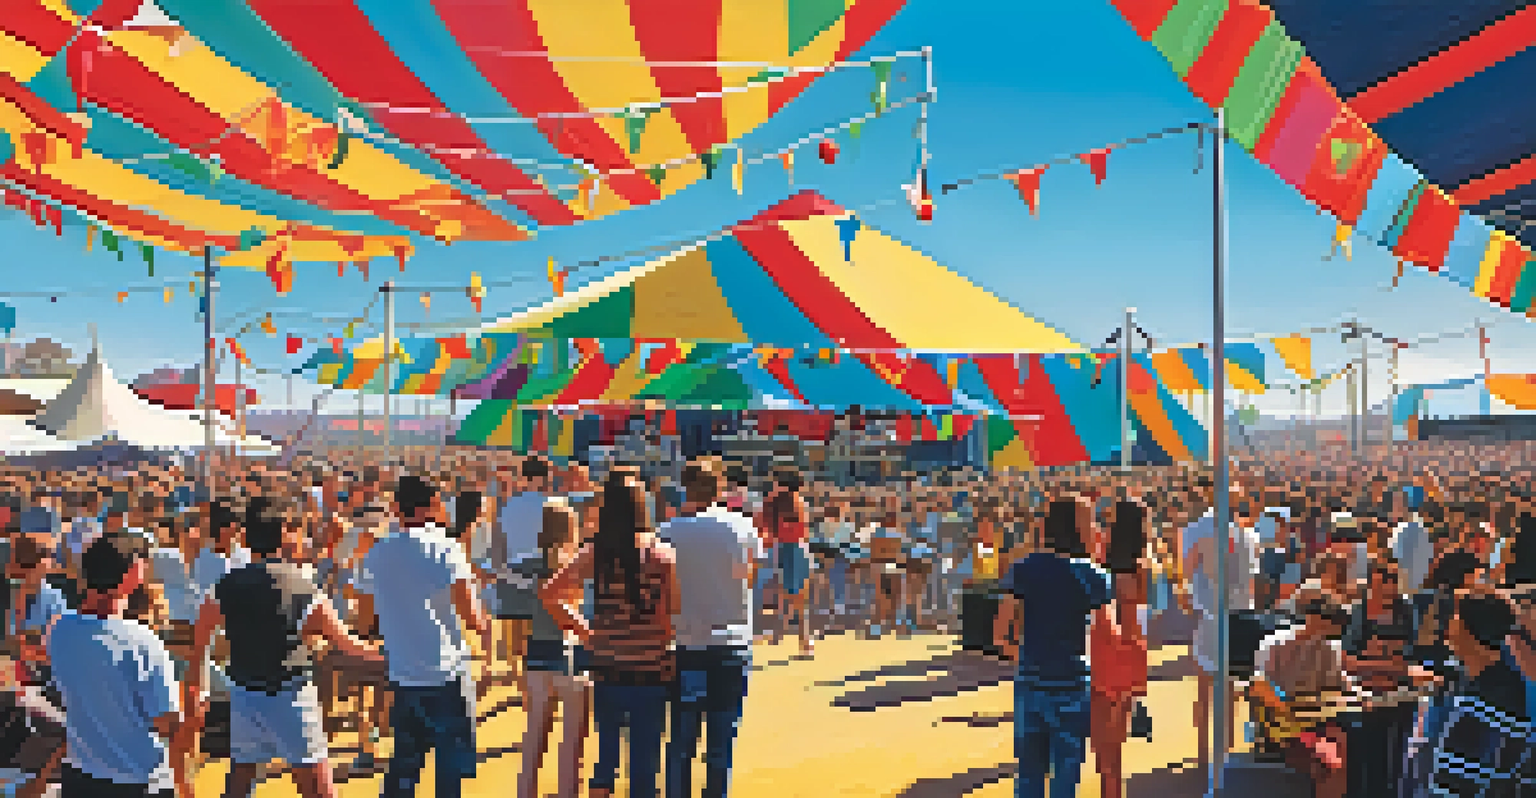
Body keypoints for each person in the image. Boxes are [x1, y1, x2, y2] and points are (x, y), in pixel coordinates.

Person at [543, 474, 680, 798]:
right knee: (645, 761)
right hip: (651, 668)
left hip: (607, 665)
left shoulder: (595, 553)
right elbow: (669, 614)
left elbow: (551, 594)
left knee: (606, 754)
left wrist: (586, 633)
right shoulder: (662, 555)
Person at [355, 474, 488, 798]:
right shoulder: (449, 549)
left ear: (396, 508)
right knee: (449, 775)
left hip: (402, 674)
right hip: (448, 675)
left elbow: (363, 622)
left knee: (403, 768)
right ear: (433, 506)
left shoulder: (376, 553)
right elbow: (474, 619)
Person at [48, 530, 191, 797]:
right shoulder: (143, 641)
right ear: (132, 574)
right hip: (138, 780)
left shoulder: (59, 630)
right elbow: (168, 725)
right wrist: (194, 716)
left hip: (80, 777)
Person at [994, 497, 1112, 798]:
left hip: (1031, 679)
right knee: (1066, 772)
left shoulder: (1024, 569)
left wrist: (1022, 657)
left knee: (1030, 772)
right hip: (1072, 682)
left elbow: (999, 633)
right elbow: (1106, 633)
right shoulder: (1093, 575)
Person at [658, 458, 762, 798]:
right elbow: (749, 578)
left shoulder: (667, 532)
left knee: (681, 743)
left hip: (685, 645)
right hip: (731, 644)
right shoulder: (741, 527)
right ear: (719, 488)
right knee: (721, 743)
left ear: (684, 487)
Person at [1248, 591, 1353, 798]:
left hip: (1318, 723)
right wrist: (1288, 706)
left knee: (1341, 744)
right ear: (1313, 618)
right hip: (1284, 727)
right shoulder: (1275, 644)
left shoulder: (1330, 649)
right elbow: (1259, 685)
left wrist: (1359, 695)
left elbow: (1341, 686)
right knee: (1326, 758)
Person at [519, 498, 591, 798]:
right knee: (572, 738)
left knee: (534, 735)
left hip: (536, 649)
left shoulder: (526, 564)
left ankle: (526, 793)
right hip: (570, 648)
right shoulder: (577, 563)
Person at [1090, 500, 1148, 798]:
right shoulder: (1141, 567)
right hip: (1131, 651)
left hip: (1104, 648)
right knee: (1116, 738)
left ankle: (1108, 790)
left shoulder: (1100, 564)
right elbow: (1142, 617)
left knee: (1103, 740)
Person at [765, 469, 813, 655]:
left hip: (789, 548)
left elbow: (772, 525)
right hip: (796, 548)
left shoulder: (784, 500)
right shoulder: (795, 501)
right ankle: (800, 639)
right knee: (795, 596)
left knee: (790, 595)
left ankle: (793, 636)